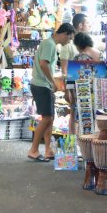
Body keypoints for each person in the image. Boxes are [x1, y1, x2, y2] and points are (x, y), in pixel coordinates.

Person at [27, 23, 75, 162]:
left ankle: (48, 150)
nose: (69, 41)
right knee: (47, 118)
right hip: (42, 85)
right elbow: (43, 64)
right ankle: (34, 149)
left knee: (50, 118)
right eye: (69, 38)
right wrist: (53, 82)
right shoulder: (50, 44)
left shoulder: (50, 44)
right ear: (64, 33)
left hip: (43, 85)